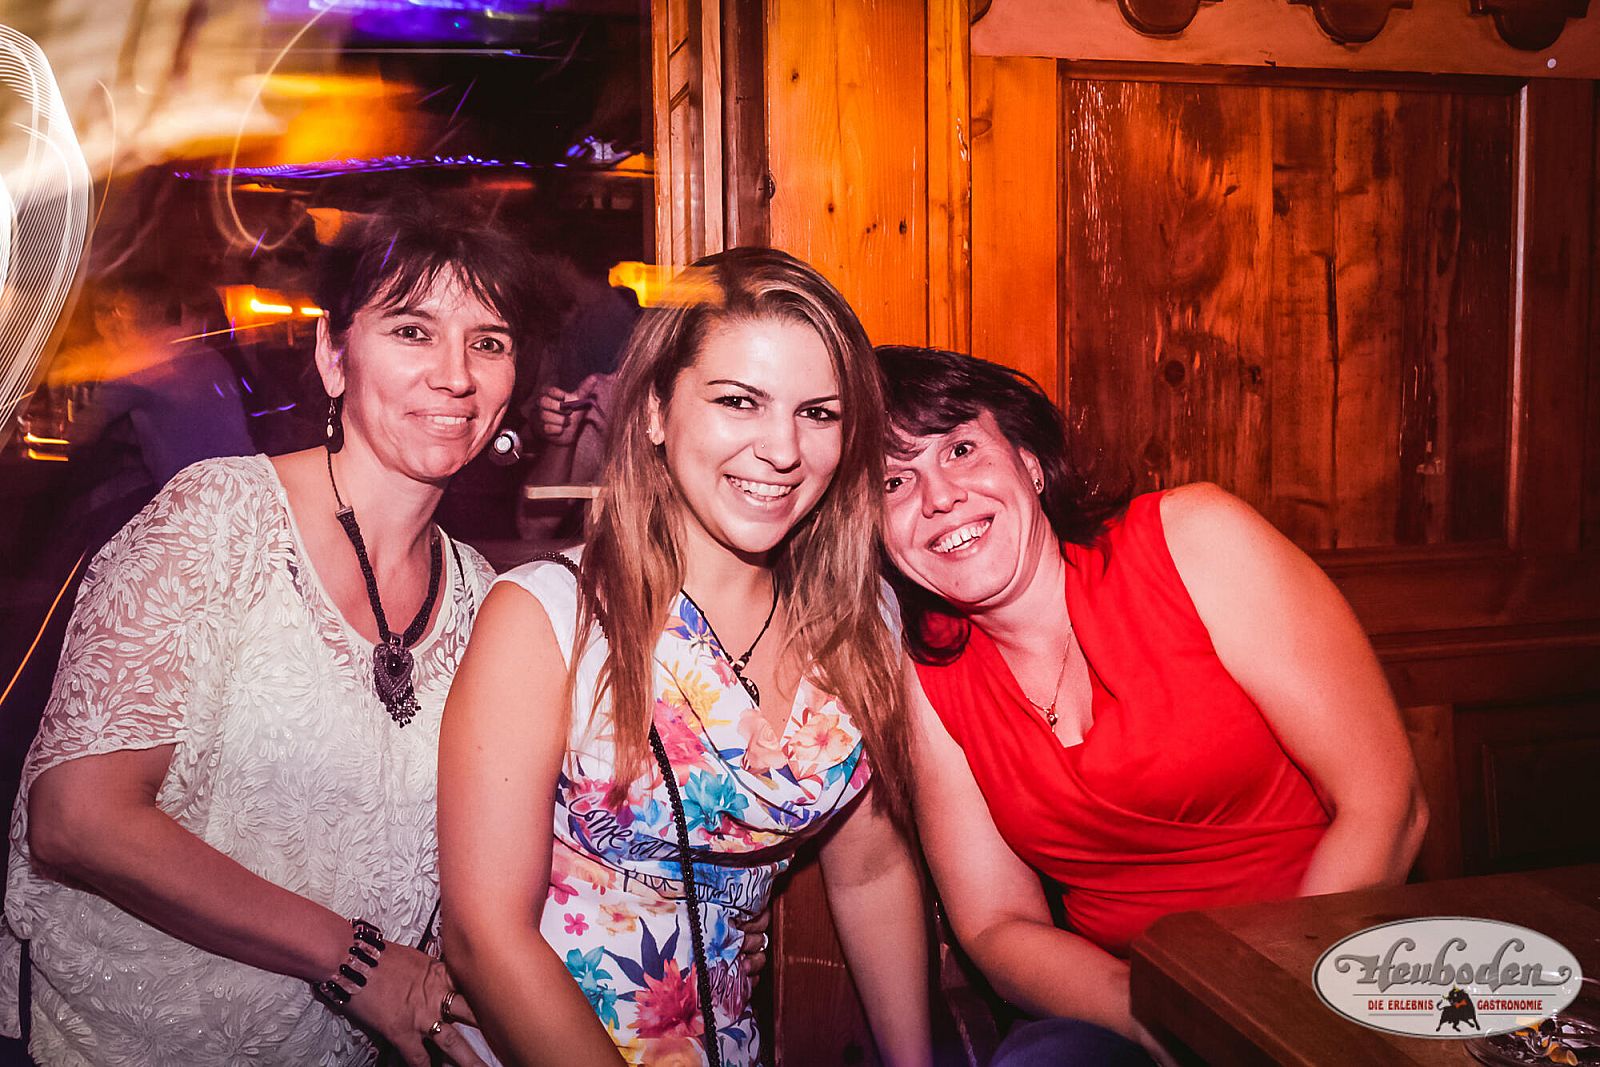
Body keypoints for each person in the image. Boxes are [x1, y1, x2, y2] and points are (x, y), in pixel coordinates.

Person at [1, 202, 558, 1066]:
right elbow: (77, 817)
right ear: (334, 356)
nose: (455, 375)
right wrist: (356, 962)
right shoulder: (219, 519)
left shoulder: (488, 600)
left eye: (488, 342)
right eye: (412, 331)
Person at [438, 249, 932, 1067]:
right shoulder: (546, 616)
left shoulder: (861, 618)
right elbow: (485, 935)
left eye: (819, 412)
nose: (783, 449)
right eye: (739, 401)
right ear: (656, 412)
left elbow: (871, 873)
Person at [873, 346, 1429, 1066]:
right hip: (1136, 1000)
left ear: (1029, 462)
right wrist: (1150, 1013)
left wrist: (1269, 1008)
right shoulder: (929, 672)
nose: (939, 497)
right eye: (894, 480)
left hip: (1339, 955)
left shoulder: (1194, 540)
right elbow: (996, 924)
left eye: (960, 449)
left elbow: (1387, 802)